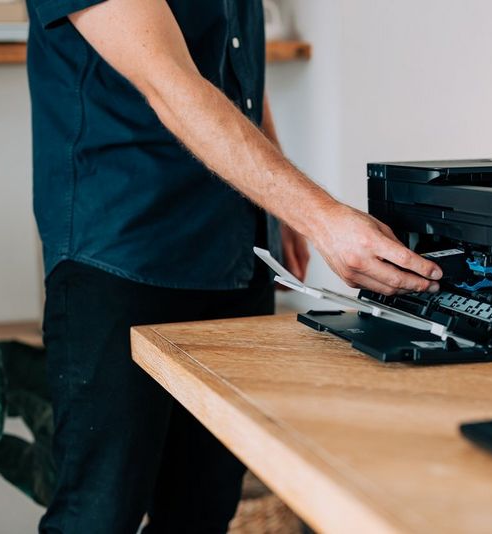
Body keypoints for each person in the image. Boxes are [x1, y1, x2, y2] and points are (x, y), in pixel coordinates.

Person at [25, 0, 443, 532]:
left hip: (232, 249)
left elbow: (234, 78)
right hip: (119, 254)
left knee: (204, 510)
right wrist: (319, 217)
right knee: (99, 515)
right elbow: (172, 83)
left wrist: (280, 207)